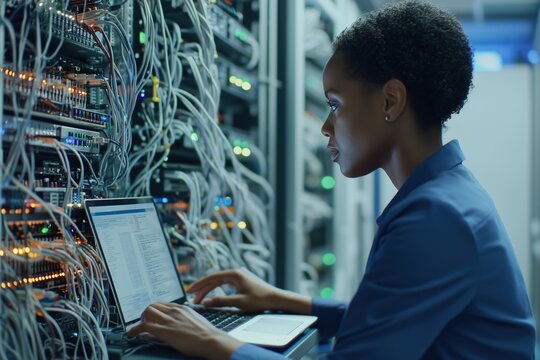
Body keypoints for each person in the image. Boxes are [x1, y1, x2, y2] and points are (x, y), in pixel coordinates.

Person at [128, 1, 537, 358]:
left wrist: (213, 341)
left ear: (390, 101)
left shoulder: (437, 217)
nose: (326, 126)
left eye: (335, 104)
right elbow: (386, 317)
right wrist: (280, 300)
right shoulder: (447, 197)